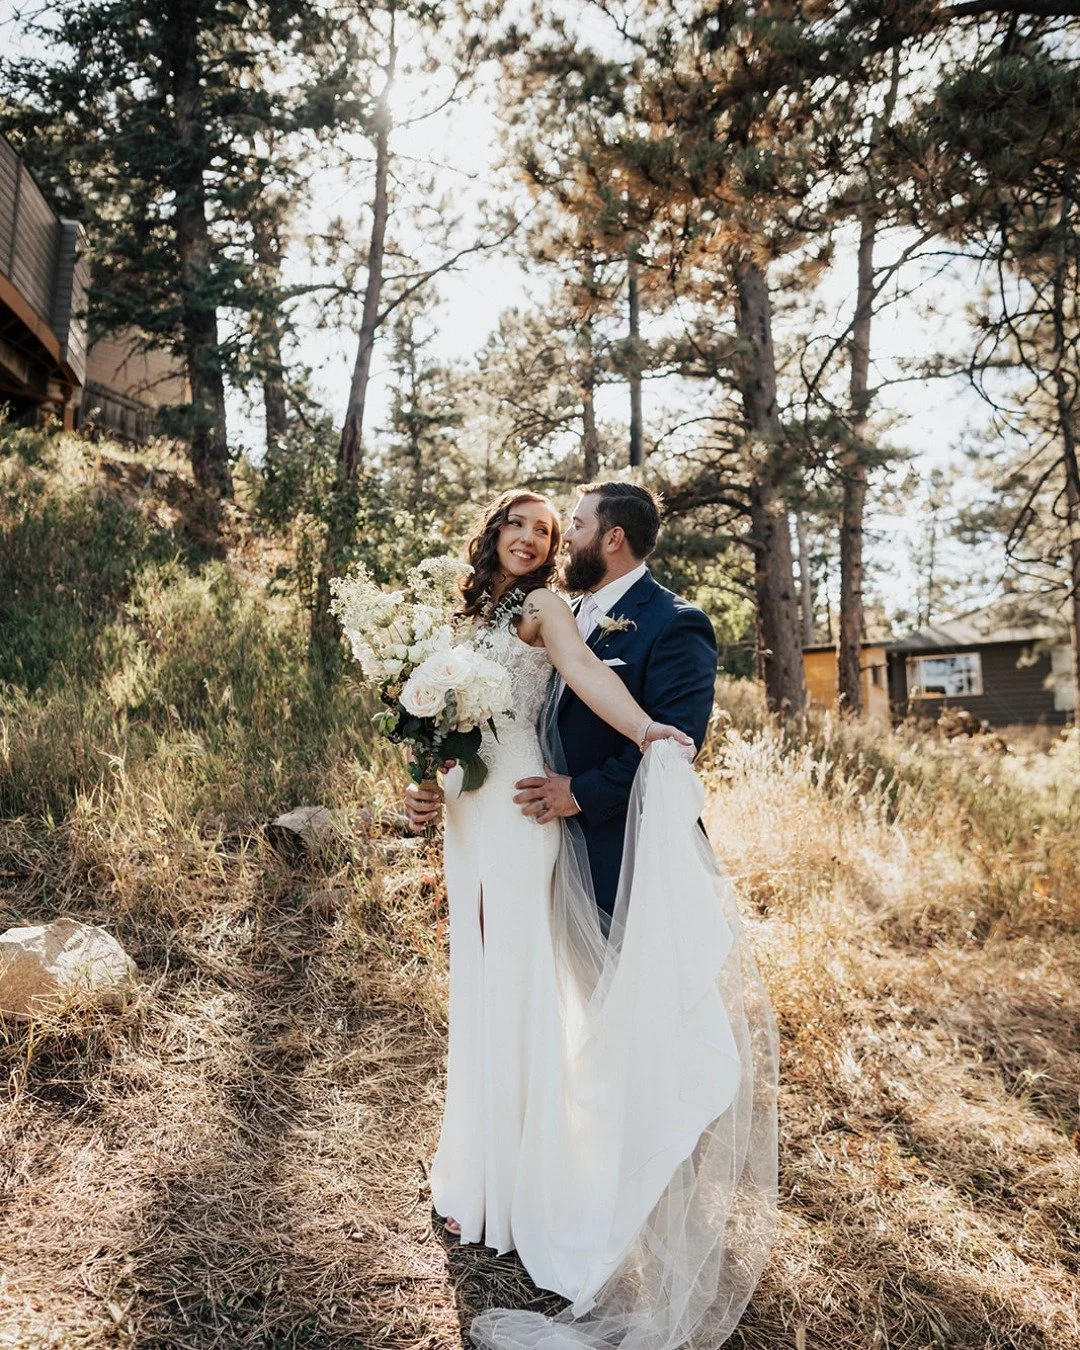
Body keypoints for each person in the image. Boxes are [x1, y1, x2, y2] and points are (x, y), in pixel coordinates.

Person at [404, 486, 778, 1350]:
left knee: (524, 990)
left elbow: (581, 672)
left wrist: (656, 734)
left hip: (528, 815)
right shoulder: (477, 611)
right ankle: (481, 1178)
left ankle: (531, 1187)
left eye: (554, 527)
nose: (539, 537)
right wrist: (428, 786)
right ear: (492, 529)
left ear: (590, 540)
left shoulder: (548, 610)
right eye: (524, 524)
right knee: (481, 985)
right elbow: (446, 725)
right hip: (472, 814)